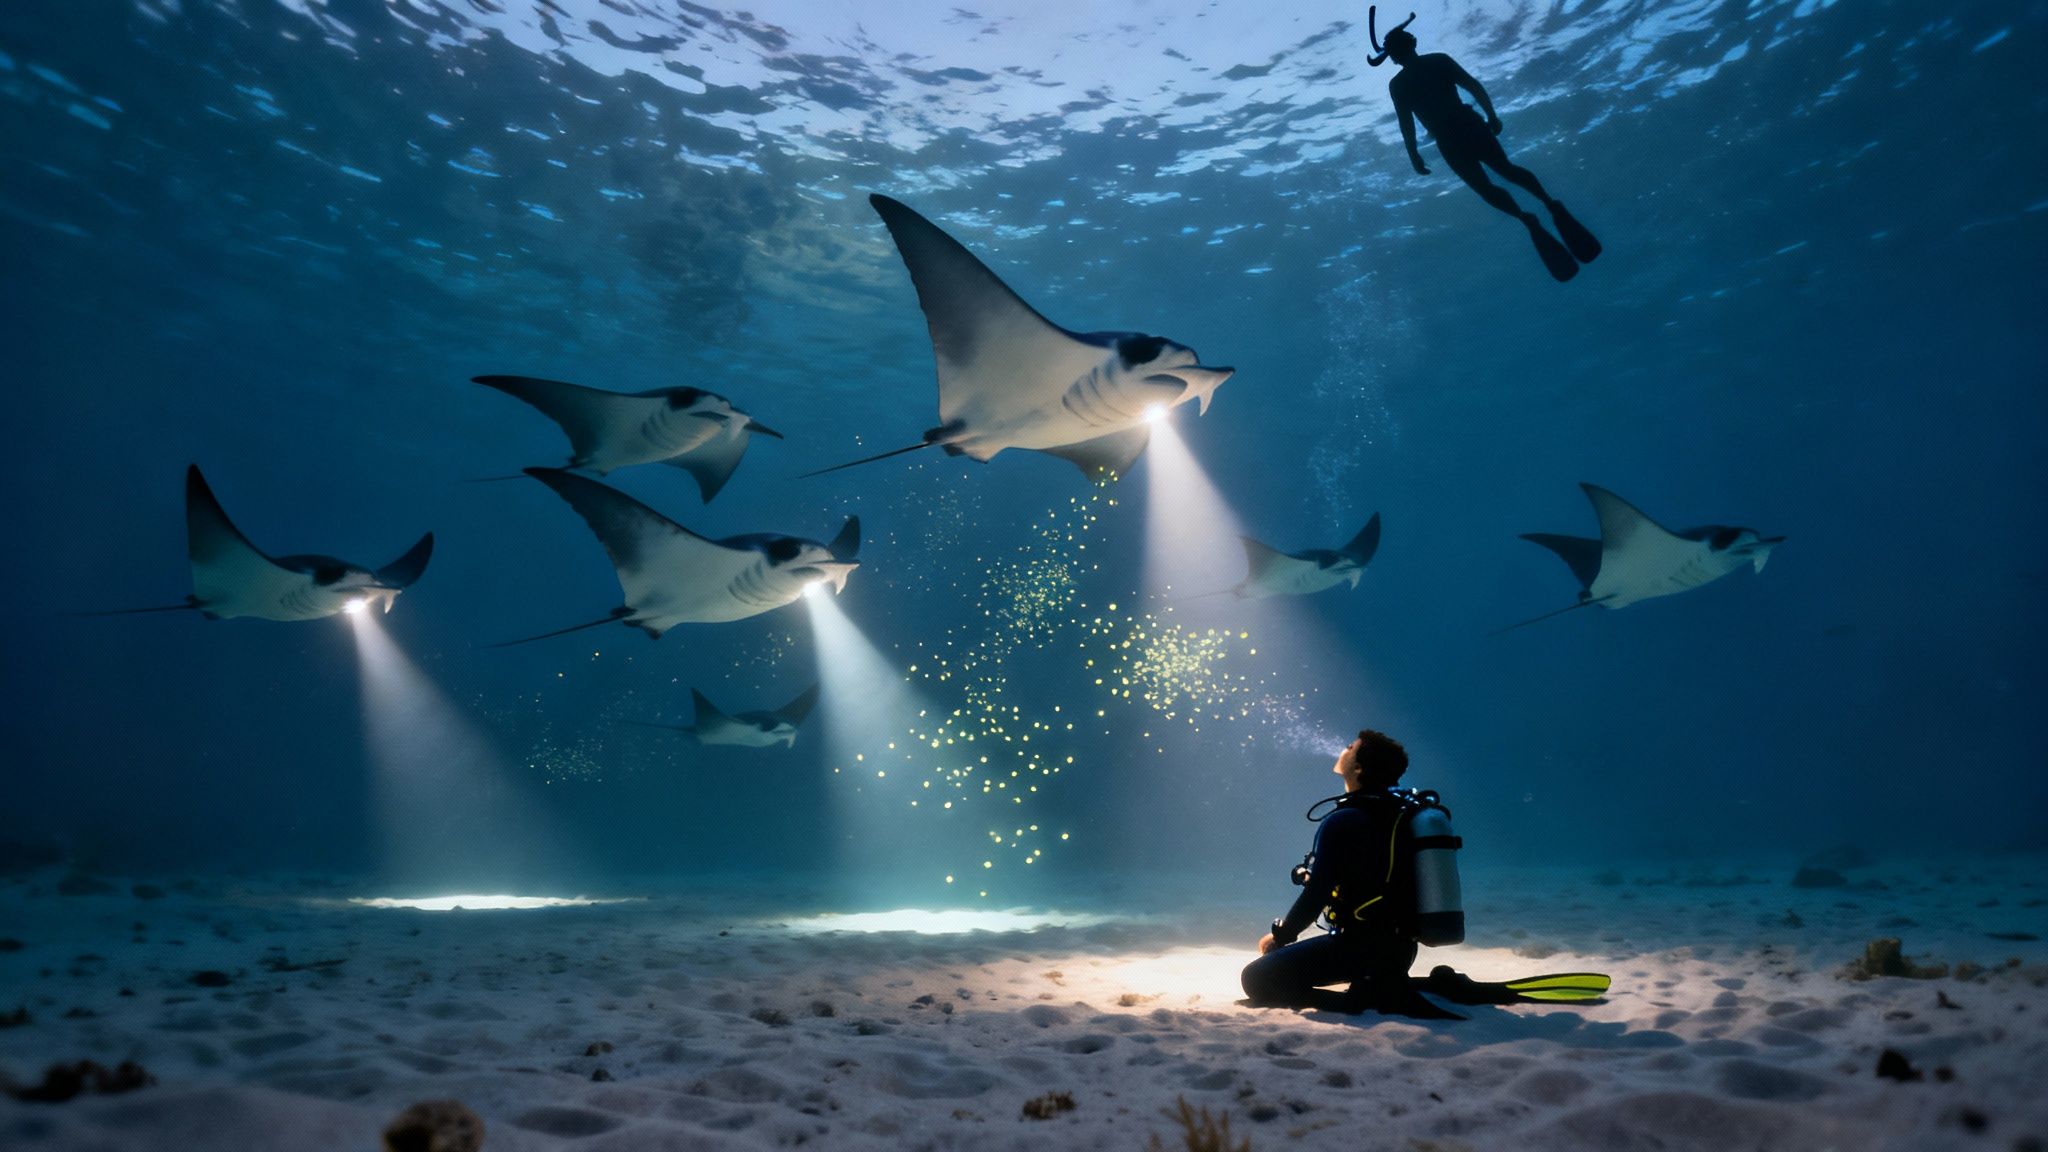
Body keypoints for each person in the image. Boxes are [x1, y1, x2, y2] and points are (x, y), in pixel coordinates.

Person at [1368, 7, 1602, 282]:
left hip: (1451, 139)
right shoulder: (1435, 64)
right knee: (1504, 171)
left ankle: (1528, 216)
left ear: (1394, 56)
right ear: (1411, 44)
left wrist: (1414, 154)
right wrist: (1490, 114)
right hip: (1467, 127)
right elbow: (1471, 87)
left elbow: (1408, 123)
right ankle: (1545, 205)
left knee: (1488, 186)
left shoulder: (1403, 82)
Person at [1240, 729, 1454, 1017]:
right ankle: (1387, 983)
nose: (1344, 747)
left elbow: (1316, 893)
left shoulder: (1345, 820)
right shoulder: (1395, 813)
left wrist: (1281, 937)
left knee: (1255, 979)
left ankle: (1363, 999)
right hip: (1400, 952)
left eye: (1351, 746)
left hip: (1357, 949)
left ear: (1358, 767)